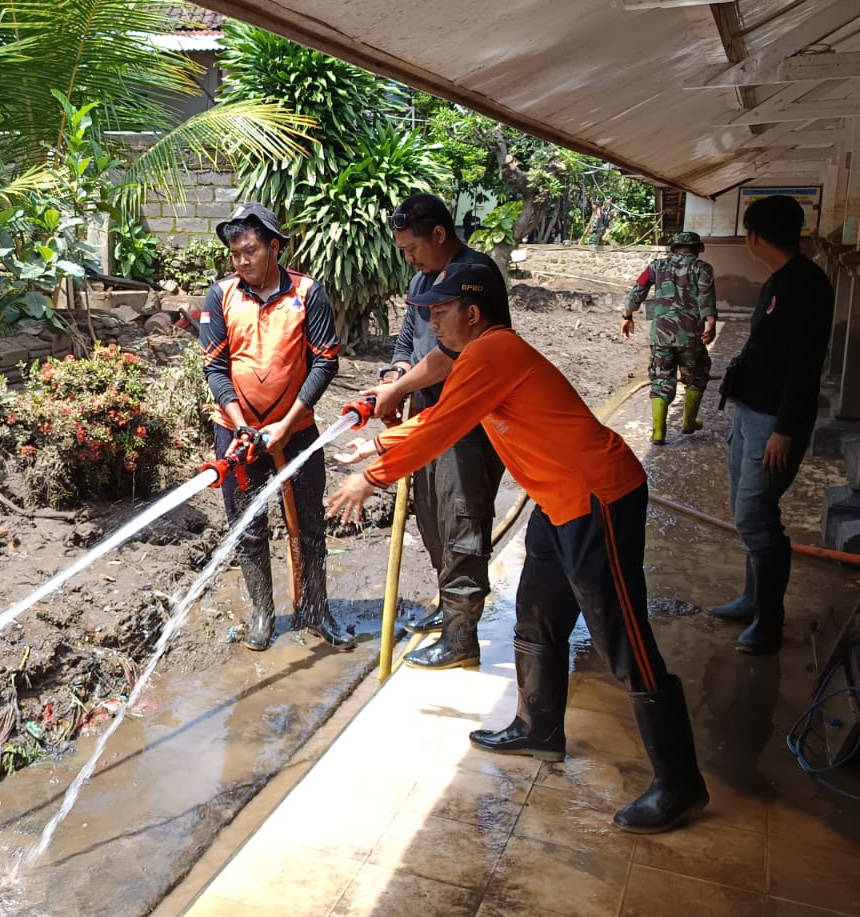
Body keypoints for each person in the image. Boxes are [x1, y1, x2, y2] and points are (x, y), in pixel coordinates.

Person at [328, 263, 708, 833]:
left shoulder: (492, 351)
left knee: (620, 635)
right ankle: (539, 729)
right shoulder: (481, 357)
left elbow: (444, 427)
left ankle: (680, 783)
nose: (431, 322)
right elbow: (441, 415)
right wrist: (379, 444)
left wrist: (374, 477)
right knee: (536, 614)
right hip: (555, 502)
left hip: (597, 497)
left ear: (472, 313)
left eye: (439, 311)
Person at [200, 202, 352, 652]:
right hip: (238, 434)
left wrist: (286, 424)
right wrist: (243, 424)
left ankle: (317, 609)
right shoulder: (221, 295)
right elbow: (215, 367)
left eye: (250, 250)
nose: (242, 260)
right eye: (235, 253)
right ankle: (263, 613)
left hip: (298, 429)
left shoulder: (308, 294)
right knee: (248, 522)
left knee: (308, 520)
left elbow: (325, 361)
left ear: (275, 246)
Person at [374, 193, 506, 669]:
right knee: (431, 518)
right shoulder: (423, 278)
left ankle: (462, 641)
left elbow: (453, 356)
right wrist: (394, 374)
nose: (407, 257)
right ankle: (449, 613)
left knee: (462, 524)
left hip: (467, 426)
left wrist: (399, 388)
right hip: (426, 418)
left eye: (412, 247)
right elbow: (408, 339)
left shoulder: (475, 276)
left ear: (438, 234)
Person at [709, 195, 834, 654]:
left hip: (774, 422)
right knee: (748, 514)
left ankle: (768, 621)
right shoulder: (779, 280)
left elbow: (805, 364)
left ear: (756, 236)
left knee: (756, 517)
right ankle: (751, 598)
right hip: (751, 411)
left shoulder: (807, 284)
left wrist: (784, 428)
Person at [622, 229, 718, 446]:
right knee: (695, 376)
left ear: (674, 249)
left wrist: (627, 315)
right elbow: (706, 295)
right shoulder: (702, 268)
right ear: (697, 249)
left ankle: (658, 432)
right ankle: (689, 421)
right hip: (691, 335)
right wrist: (710, 322)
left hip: (661, 334)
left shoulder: (656, 266)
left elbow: (638, 289)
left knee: (661, 379)